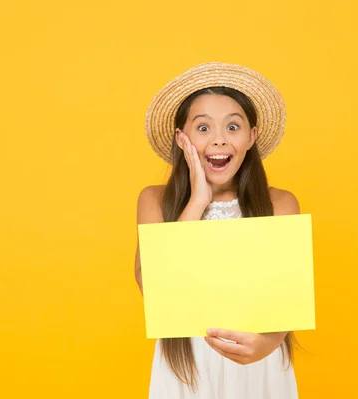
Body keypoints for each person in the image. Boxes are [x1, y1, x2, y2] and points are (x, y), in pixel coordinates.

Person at [135, 62, 300, 398]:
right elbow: (154, 287)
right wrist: (197, 201)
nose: (220, 140)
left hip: (259, 365)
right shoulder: (155, 200)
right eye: (204, 128)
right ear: (182, 138)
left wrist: (265, 345)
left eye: (233, 127)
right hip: (187, 367)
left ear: (251, 136)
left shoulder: (281, 204)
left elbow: (287, 299)